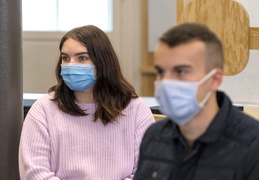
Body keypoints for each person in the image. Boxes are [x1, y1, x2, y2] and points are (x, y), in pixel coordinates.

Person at [19, 25, 155, 180]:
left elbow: (147, 171)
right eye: (65, 58)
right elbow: (34, 172)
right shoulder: (43, 109)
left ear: (103, 62)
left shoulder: (136, 109)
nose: (71, 65)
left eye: (82, 58)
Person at [133, 22, 259, 180]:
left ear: (214, 79)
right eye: (161, 71)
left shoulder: (252, 144)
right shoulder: (154, 136)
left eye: (181, 71)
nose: (166, 81)